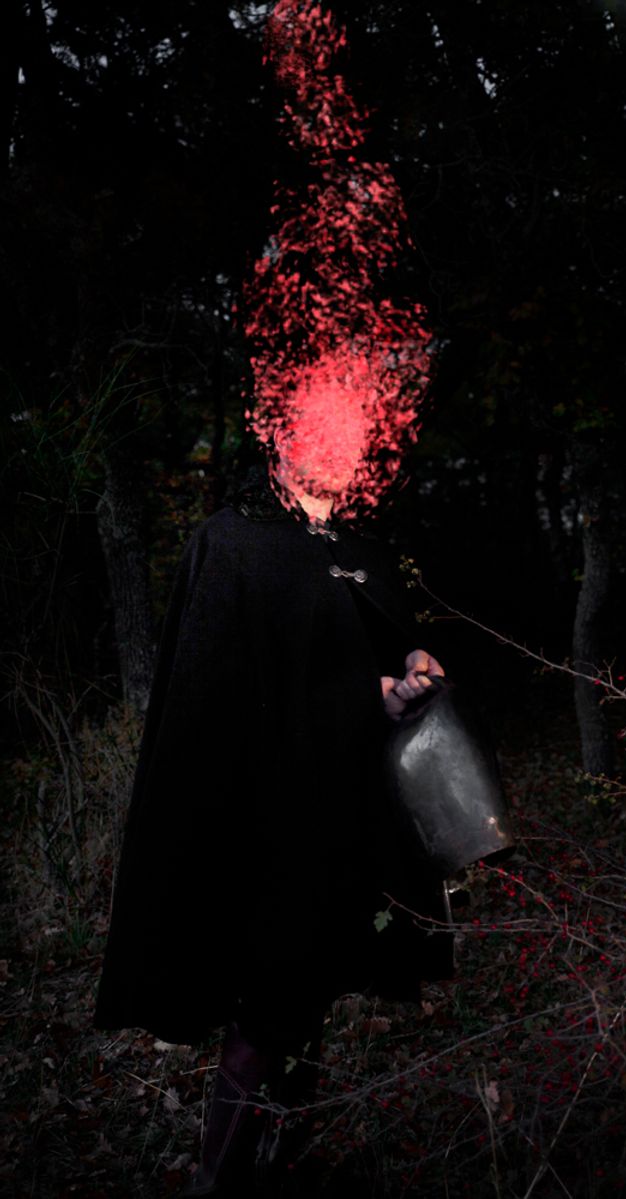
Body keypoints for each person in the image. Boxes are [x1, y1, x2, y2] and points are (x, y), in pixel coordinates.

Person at [93, 422, 454, 1196]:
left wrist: (408, 677)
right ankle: (220, 1181)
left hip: (344, 816)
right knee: (267, 1002)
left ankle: (282, 1164)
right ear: (277, 440)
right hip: (259, 823)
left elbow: (373, 663)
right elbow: (216, 696)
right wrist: (356, 696)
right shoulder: (231, 544)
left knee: (311, 994)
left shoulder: (352, 545)